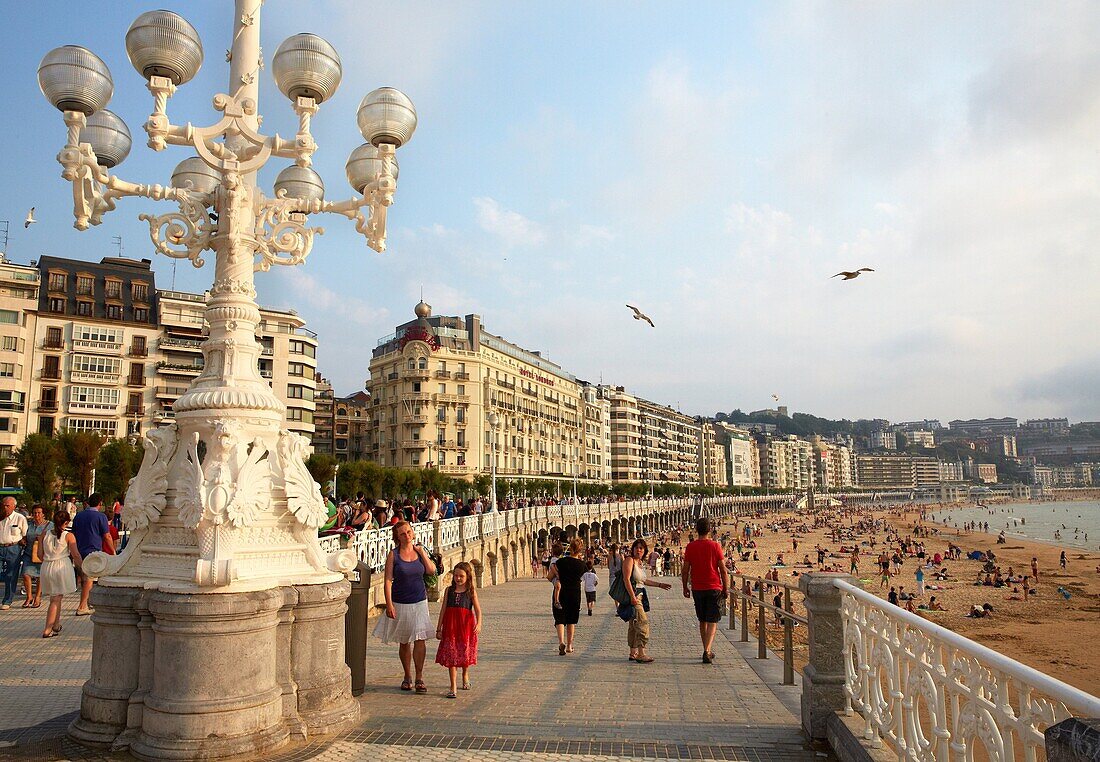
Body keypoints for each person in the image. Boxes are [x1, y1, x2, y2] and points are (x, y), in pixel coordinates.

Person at [373, 521, 436, 694]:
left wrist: (422, 553)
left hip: (420, 601)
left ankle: (419, 677)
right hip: (401, 602)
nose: (407, 536)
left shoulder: (419, 551)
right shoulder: (394, 555)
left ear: (412, 533)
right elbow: (387, 580)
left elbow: (431, 571)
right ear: (397, 537)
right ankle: (407, 676)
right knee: (404, 640)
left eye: (408, 532)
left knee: (420, 639)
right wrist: (389, 604)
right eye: (402, 534)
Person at [681, 516, 728, 664]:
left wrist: (684, 586)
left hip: (698, 588)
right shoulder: (715, 546)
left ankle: (706, 649)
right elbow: (723, 570)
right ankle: (707, 651)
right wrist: (726, 588)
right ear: (709, 530)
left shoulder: (691, 547)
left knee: (702, 620)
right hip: (713, 586)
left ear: (696, 530)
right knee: (712, 620)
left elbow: (685, 569)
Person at [435, 561, 481, 699]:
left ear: (467, 576)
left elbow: (478, 610)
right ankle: (453, 685)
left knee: (464, 652)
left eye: (461, 576)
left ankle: (465, 674)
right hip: (451, 625)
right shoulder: (449, 591)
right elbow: (443, 610)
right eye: (456, 575)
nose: (458, 578)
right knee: (452, 654)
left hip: (465, 626)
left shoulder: (471, 591)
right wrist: (439, 628)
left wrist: (479, 624)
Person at [621, 538, 672, 664]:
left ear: (644, 551)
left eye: (641, 548)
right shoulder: (629, 560)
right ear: (632, 549)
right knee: (642, 623)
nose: (639, 550)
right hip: (634, 597)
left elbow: (643, 581)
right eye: (637, 547)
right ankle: (641, 653)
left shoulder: (639, 563)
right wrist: (632, 597)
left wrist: (659, 584)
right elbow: (626, 579)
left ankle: (633, 652)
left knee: (633, 625)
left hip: (640, 596)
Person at [37, 509, 81, 638]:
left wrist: (48, 559)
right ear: (66, 522)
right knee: (55, 599)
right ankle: (47, 629)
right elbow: (76, 554)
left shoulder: (44, 534)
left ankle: (56, 625)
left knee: (57, 596)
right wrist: (82, 567)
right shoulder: (69, 536)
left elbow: (40, 555)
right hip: (61, 566)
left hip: (47, 565)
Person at [71, 494, 114, 615]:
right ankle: (82, 606)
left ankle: (86, 602)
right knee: (89, 579)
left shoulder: (79, 516)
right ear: (100, 503)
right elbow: (107, 536)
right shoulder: (101, 517)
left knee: (83, 578)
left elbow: (73, 533)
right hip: (93, 551)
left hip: (79, 550)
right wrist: (113, 551)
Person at [547, 538, 586, 655]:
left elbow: (549, 577)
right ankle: (569, 646)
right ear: (580, 550)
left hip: (561, 592)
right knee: (571, 620)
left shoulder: (561, 562)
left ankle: (561, 642)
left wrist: (558, 577)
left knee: (559, 618)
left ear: (569, 548)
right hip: (575, 593)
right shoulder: (582, 565)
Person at [0, 496, 27, 610]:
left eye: (7, 505)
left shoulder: (19, 518)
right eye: (3, 505)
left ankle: (7, 600)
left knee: (11, 575)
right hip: (0, 546)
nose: (5, 508)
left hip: (13, 548)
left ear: (14, 506)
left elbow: (25, 534)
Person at [21, 505, 50, 608]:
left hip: (43, 554)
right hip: (29, 553)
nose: (36, 515)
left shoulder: (50, 525)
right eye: (34, 513)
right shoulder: (29, 525)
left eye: (39, 513)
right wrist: (23, 540)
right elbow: (23, 535)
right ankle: (29, 597)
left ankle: (38, 597)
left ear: (43, 514)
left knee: (40, 576)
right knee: (25, 574)